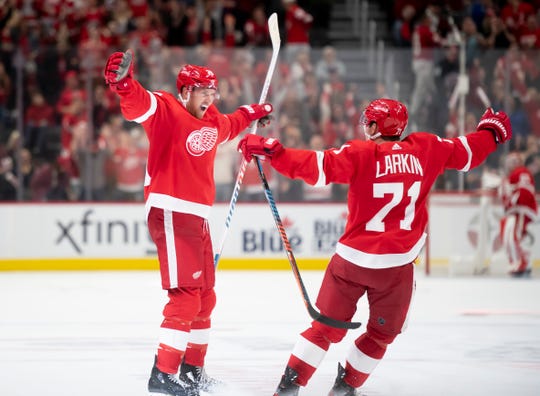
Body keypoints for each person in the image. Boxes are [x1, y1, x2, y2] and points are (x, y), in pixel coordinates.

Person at [237, 98, 512, 395]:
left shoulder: (361, 153)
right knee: (381, 335)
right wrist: (490, 133)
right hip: (395, 269)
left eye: (367, 121)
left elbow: (316, 168)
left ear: (373, 125)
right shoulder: (427, 147)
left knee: (324, 330)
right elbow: (468, 153)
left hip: (351, 264)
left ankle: (288, 388)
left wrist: (272, 151)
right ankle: (345, 388)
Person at [103, 49, 273, 396]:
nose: (210, 99)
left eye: (213, 93)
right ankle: (164, 374)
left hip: (197, 216)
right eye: (203, 92)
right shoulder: (166, 109)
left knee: (205, 297)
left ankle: (193, 371)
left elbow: (233, 122)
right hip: (170, 210)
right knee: (185, 297)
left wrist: (255, 112)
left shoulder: (212, 120)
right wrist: (123, 85)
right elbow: (139, 104)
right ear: (185, 92)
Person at [498, 152, 538, 277]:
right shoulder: (511, 175)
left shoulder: (521, 172)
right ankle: (517, 262)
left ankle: (522, 263)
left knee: (514, 235)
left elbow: (525, 191)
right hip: (515, 211)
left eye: (513, 161)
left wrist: (517, 205)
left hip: (520, 210)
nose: (510, 163)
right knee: (508, 234)